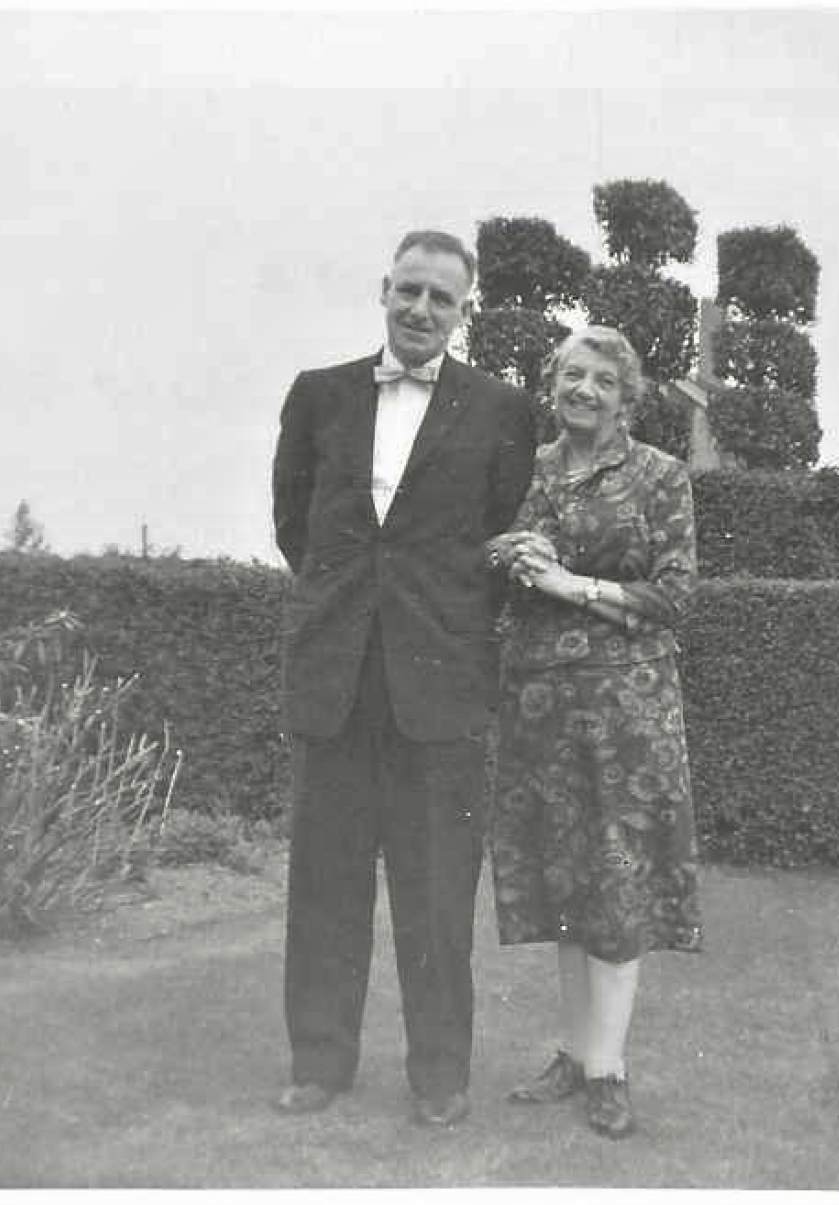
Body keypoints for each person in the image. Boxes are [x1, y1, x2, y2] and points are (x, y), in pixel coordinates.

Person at [271, 230, 536, 1127]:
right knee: (325, 886)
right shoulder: (319, 396)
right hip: (336, 677)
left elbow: (503, 536)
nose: (422, 310)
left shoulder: (501, 410)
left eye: (442, 299)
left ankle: (439, 1077)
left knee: (435, 893)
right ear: (384, 289)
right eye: (409, 291)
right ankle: (319, 1063)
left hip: (442, 683)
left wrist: (437, 613)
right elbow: (294, 526)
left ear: (465, 312)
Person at [486, 325, 703, 1140]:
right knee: (564, 883)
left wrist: (568, 582)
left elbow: (676, 595)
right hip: (539, 702)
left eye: (602, 380)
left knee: (614, 883)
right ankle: (574, 1054)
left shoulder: (659, 475)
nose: (585, 389)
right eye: (572, 374)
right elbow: (484, 554)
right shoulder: (525, 470)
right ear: (552, 382)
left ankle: (609, 1067)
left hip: (627, 710)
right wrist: (511, 547)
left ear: (627, 395)